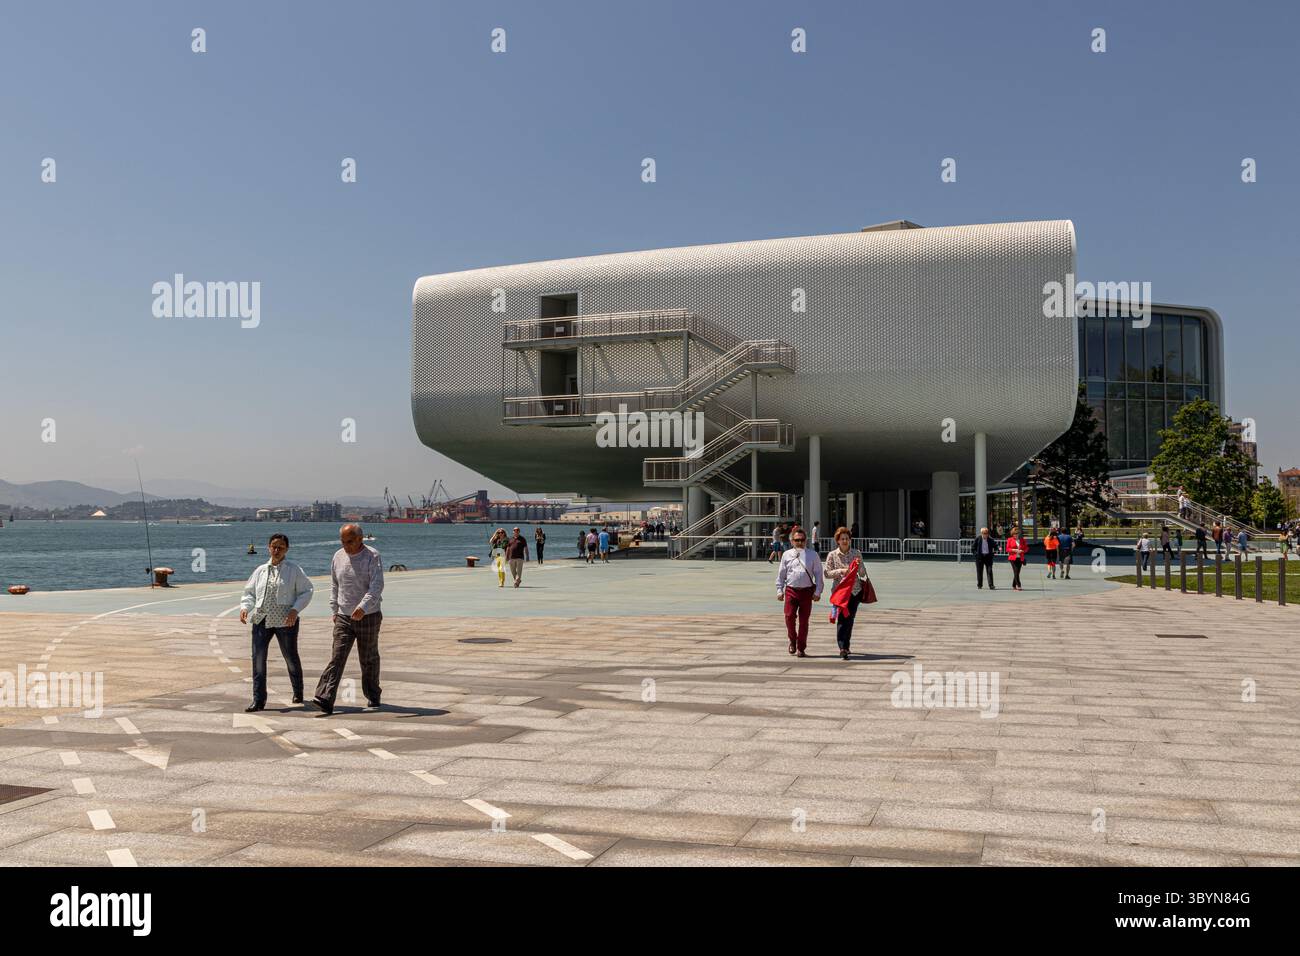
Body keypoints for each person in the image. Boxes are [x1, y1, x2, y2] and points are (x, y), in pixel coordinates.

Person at [313, 524, 384, 716]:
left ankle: (373, 693)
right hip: (344, 616)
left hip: (368, 616)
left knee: (368, 658)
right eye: (343, 542)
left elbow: (376, 586)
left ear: (360, 539)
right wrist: (334, 609)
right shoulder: (338, 556)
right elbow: (335, 584)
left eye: (350, 542)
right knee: (337, 656)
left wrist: (363, 607)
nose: (346, 546)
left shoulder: (372, 556)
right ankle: (325, 697)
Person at [239, 533, 313, 713]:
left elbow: (307, 590)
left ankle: (298, 691)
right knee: (257, 659)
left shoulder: (293, 570)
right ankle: (258, 700)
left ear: (287, 549)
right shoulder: (260, 570)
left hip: (285, 620)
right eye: (274, 546)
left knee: (290, 657)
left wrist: (295, 610)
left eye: (280, 547)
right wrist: (245, 607)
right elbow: (249, 592)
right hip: (261, 619)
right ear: (268, 547)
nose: (276, 550)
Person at [775, 525, 822, 658]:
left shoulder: (813, 555)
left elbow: (818, 574)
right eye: (797, 540)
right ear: (792, 541)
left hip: (806, 592)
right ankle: (792, 640)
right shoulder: (786, 555)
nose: (799, 543)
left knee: (804, 621)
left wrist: (818, 591)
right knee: (789, 617)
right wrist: (779, 590)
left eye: (802, 540)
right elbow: (781, 574)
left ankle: (801, 647)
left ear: (806, 541)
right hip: (791, 590)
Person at [824, 527, 869, 659]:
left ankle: (846, 644)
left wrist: (860, 565)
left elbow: (862, 574)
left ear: (850, 540)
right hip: (840, 593)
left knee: (850, 619)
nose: (845, 541)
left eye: (847, 539)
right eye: (842, 539)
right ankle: (842, 647)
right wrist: (841, 571)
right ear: (837, 541)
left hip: (855, 591)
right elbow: (827, 573)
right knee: (842, 619)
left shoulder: (856, 553)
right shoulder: (832, 555)